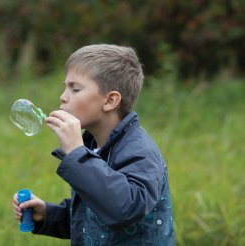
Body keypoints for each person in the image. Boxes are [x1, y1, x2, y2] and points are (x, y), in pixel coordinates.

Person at [12, 44, 175, 245]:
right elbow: (95, 211)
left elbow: (126, 209)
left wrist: (77, 153)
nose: (63, 96)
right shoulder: (93, 145)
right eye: (65, 87)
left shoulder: (140, 151)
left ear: (110, 100)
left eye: (75, 88)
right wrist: (48, 214)